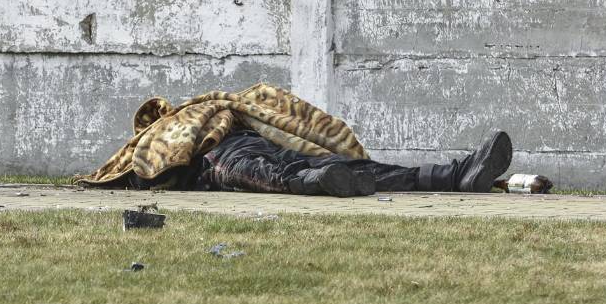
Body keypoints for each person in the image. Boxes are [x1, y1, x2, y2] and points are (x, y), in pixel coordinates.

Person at [131, 130, 514, 198]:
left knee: (356, 165)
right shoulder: (148, 144)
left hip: (253, 146)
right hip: (236, 153)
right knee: (261, 174)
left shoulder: (204, 118)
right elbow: (141, 173)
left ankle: (458, 176)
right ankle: (319, 181)